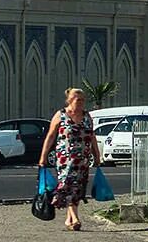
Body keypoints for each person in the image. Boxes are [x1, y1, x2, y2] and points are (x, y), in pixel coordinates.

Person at [38, 86, 101, 231]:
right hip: (65, 159)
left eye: (83, 100)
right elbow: (50, 136)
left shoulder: (86, 116)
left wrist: (97, 155)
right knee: (67, 185)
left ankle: (69, 219)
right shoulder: (61, 115)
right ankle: (76, 218)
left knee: (78, 187)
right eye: (79, 100)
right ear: (70, 100)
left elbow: (92, 136)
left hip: (83, 160)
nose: (81, 103)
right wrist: (43, 157)